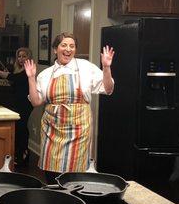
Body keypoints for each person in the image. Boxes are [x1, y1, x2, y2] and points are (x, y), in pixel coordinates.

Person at [24, 33, 115, 184]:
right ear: (55, 49)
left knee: (75, 174)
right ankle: (54, 200)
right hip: (52, 130)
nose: (68, 49)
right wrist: (31, 78)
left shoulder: (86, 67)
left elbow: (108, 88)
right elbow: (35, 101)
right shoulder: (46, 74)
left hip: (79, 129)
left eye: (72, 46)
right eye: (64, 45)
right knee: (51, 172)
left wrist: (106, 67)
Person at [0, 47, 34, 165]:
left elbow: (13, 78)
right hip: (18, 102)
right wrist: (8, 75)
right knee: (19, 128)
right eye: (19, 56)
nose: (21, 59)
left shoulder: (28, 71)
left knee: (21, 128)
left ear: (29, 58)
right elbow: (14, 81)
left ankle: (23, 154)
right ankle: (21, 153)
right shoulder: (19, 70)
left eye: (24, 56)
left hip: (25, 103)